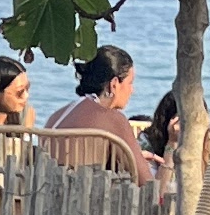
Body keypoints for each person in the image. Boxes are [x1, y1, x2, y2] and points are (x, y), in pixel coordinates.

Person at [45, 47, 158, 179]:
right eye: (130, 83)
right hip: (84, 189)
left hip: (45, 186)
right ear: (114, 84)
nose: (132, 91)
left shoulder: (57, 116)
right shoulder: (113, 120)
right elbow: (145, 181)